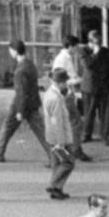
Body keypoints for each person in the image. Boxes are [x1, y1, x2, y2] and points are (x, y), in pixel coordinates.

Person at [0, 39, 52, 165]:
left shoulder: (20, 71)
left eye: (10, 50)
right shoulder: (30, 64)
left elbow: (21, 92)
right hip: (33, 103)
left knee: (7, 127)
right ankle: (55, 156)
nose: (9, 52)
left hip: (20, 104)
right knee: (41, 131)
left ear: (15, 51)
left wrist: (20, 110)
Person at [45, 68, 79, 200]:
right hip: (59, 138)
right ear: (60, 83)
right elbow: (58, 122)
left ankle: (57, 190)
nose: (66, 84)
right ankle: (53, 185)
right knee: (69, 162)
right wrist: (61, 142)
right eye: (65, 81)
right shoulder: (57, 99)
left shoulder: (49, 94)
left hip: (50, 135)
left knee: (56, 164)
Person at [83, 30, 109, 148]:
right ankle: (87, 134)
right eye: (96, 41)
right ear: (90, 41)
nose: (99, 44)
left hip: (104, 86)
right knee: (89, 112)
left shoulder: (105, 51)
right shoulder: (84, 50)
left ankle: (104, 136)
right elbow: (87, 65)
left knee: (104, 113)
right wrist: (95, 53)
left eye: (99, 41)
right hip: (90, 86)